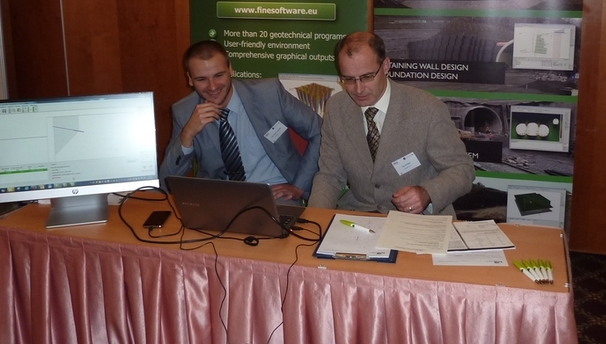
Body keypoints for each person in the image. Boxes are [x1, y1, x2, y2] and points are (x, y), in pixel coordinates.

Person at [308, 32, 474, 214]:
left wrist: (427, 193)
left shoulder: (427, 109)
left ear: (386, 65)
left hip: (417, 219)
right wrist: (315, 218)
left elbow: (462, 170)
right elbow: (329, 176)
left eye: (367, 76)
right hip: (360, 214)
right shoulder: (336, 108)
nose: (358, 89)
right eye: (348, 79)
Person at [159, 40, 321, 203]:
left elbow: (320, 132)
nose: (212, 87)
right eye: (202, 79)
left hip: (275, 194)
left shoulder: (269, 93)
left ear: (230, 69)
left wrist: (299, 186)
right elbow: (166, 183)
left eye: (219, 75)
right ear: (190, 79)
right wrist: (187, 134)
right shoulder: (184, 111)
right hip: (220, 200)